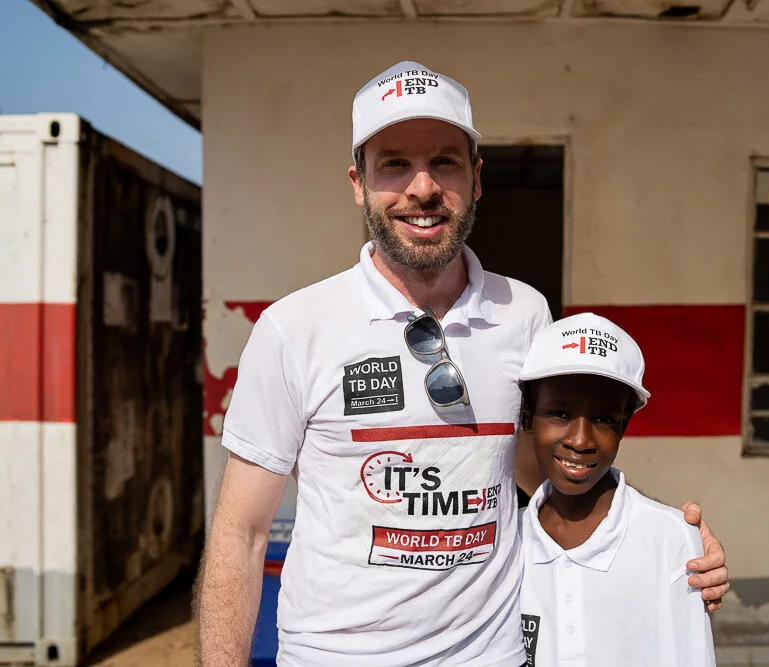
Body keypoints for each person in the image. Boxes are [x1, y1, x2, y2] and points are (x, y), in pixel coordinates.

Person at [194, 60, 729, 667]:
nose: (422, 188)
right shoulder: (294, 329)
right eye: (394, 162)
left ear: (476, 178)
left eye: (444, 161)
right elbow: (240, 535)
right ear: (357, 182)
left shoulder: (525, 314)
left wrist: (665, 540)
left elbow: (537, 472)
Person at [517, 312, 715, 666]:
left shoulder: (670, 539)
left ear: (624, 426)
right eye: (559, 414)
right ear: (528, 417)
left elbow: (692, 655)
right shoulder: (504, 543)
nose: (580, 440)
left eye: (603, 419)